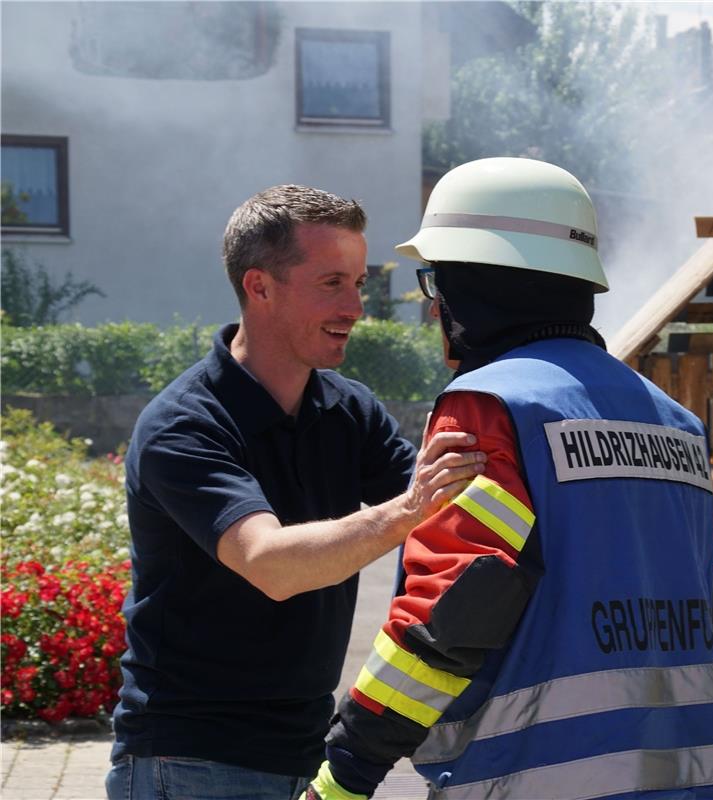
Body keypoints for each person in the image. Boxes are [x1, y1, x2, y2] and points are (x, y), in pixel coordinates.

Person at [303, 158, 713, 799]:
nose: (436, 312)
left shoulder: (491, 407)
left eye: (440, 283)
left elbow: (449, 617)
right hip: (699, 779)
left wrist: (345, 774)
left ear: (480, 285)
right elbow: (701, 606)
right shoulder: (674, 422)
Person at [106, 185, 485, 799]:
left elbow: (460, 513)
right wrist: (409, 509)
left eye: (361, 283)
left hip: (308, 755)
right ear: (259, 287)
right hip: (191, 760)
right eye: (332, 282)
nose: (357, 306)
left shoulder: (350, 409)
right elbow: (271, 565)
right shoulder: (184, 424)